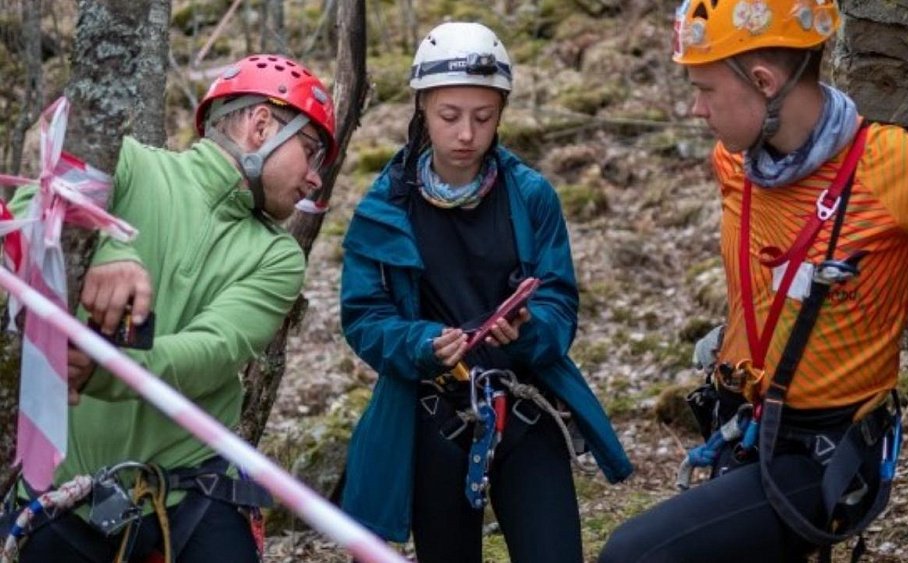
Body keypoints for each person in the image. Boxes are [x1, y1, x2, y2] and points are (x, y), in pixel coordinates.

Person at [600, 0, 908, 562]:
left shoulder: (898, 171)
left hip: (825, 454)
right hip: (745, 424)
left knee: (632, 555)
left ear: (763, 82)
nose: (695, 109)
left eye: (705, 89)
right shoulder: (735, 164)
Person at [2, 54, 337, 562]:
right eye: (309, 152)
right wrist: (106, 244)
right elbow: (37, 183)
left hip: (191, 497)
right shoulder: (130, 163)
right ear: (261, 124)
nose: (315, 179)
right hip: (61, 497)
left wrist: (105, 369)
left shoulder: (277, 255)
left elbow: (215, 350)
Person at [336, 21, 633, 562]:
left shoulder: (531, 196)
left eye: (484, 116)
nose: (467, 134)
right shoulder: (384, 207)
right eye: (450, 116)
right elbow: (362, 317)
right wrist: (422, 343)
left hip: (525, 405)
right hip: (431, 415)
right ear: (422, 108)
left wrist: (529, 329)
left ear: (502, 112)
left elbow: (560, 303)